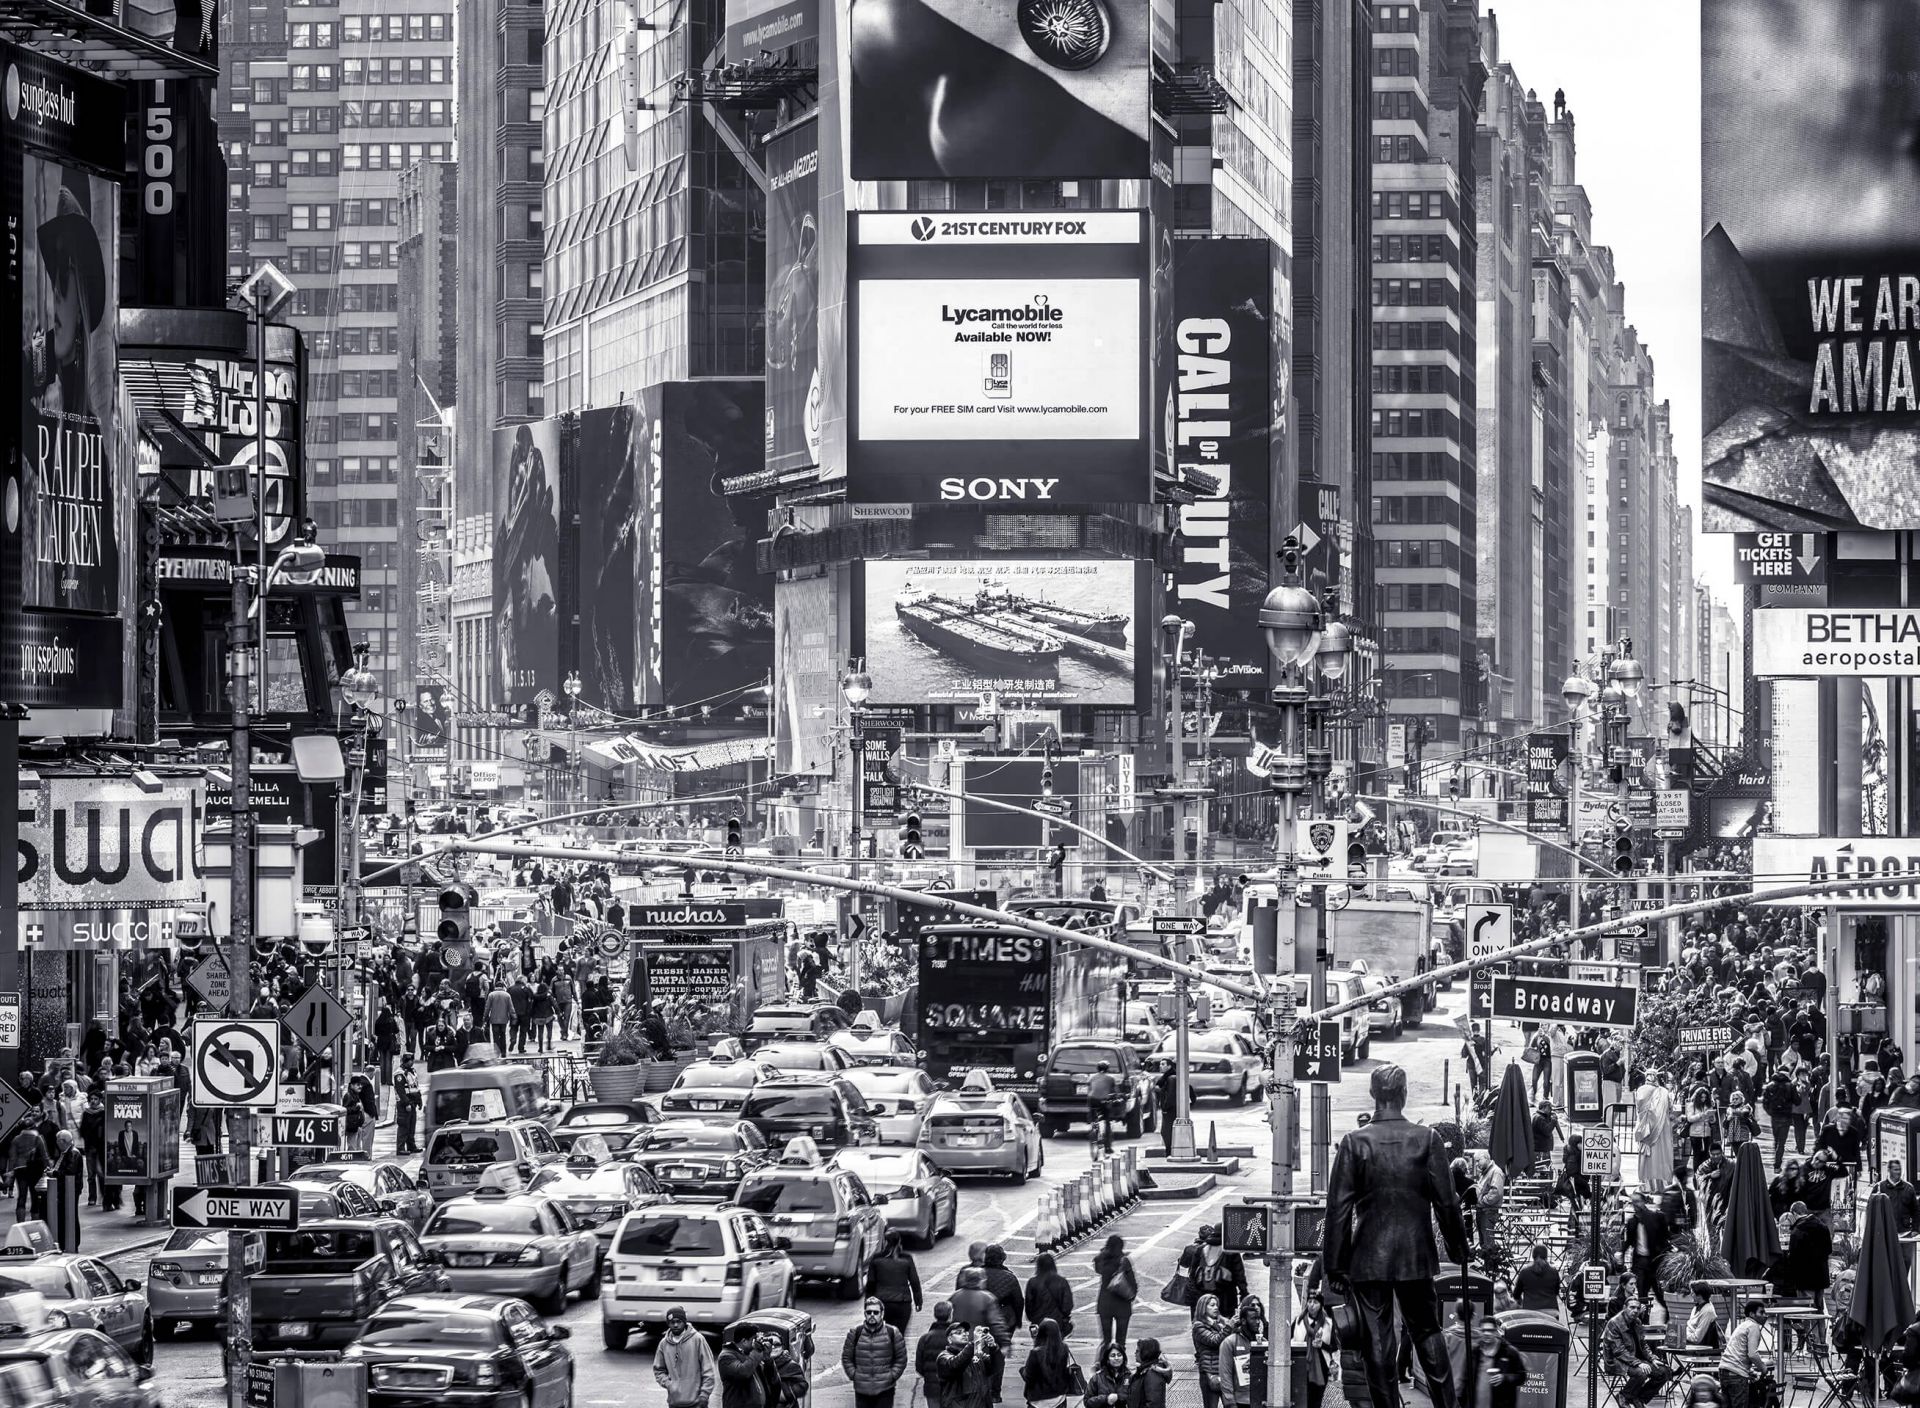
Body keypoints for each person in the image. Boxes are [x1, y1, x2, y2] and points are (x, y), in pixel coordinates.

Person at [1323, 1064, 1470, 1408]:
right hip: (1414, 1254)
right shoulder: (1427, 1139)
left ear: (1374, 1096)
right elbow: (1447, 1203)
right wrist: (1458, 1247)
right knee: (1427, 1329)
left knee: (1377, 1338)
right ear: (1404, 1095)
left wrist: (1335, 1266)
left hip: (1369, 1256)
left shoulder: (1354, 1143)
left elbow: (1338, 1211)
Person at [1602, 1296, 1673, 1408]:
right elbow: (1619, 1351)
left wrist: (1652, 1358)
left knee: (1664, 1372)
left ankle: (1639, 1398)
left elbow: (1643, 1344)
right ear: (1624, 1308)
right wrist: (1638, 1363)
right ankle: (1623, 1395)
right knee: (1641, 1372)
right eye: (1632, 1307)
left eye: (1637, 1308)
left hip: (1634, 1359)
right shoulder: (1614, 1323)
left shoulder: (1637, 1322)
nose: (1635, 1310)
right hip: (1616, 1361)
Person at [844, 1297, 910, 1408]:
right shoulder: (855, 1332)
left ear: (882, 1314)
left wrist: (892, 1376)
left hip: (885, 1389)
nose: (872, 1315)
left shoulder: (892, 1332)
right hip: (862, 1389)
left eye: (876, 1312)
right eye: (869, 1312)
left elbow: (901, 1359)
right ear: (865, 1314)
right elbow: (847, 1358)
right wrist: (854, 1375)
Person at [1179, 1225, 1249, 1319]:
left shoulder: (1201, 1249)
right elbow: (1239, 1276)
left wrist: (1195, 1296)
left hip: (1203, 1296)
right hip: (1226, 1297)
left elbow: (1193, 1274)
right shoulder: (1231, 1252)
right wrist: (1244, 1293)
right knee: (1225, 1325)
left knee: (1204, 1325)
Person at [655, 1306, 720, 1408]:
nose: (676, 1325)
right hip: (675, 1402)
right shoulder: (664, 1344)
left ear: (684, 1322)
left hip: (697, 1401)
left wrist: (704, 1394)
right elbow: (658, 1370)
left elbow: (708, 1369)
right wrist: (669, 1384)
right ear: (668, 1324)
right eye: (672, 1322)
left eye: (679, 1321)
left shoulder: (698, 1339)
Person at [865, 1231, 925, 1332]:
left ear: (884, 1242)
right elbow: (914, 1281)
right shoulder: (906, 1259)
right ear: (899, 1242)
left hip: (882, 1302)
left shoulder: (876, 1259)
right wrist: (918, 1301)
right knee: (899, 1335)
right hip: (903, 1303)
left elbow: (871, 1284)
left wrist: (867, 1304)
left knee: (882, 1335)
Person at [1623, 1191, 1673, 1304]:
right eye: (1633, 1202)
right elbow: (1629, 1241)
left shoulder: (1656, 1217)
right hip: (1640, 1262)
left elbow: (1666, 1236)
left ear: (1644, 1202)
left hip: (1655, 1261)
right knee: (1641, 1292)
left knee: (1659, 1291)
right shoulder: (1632, 1222)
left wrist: (1667, 1253)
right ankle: (1644, 1318)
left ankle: (1667, 1311)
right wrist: (1621, 1253)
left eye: (1637, 1201)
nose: (1635, 1204)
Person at [1092, 1235, 1137, 1357]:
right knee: (1121, 1341)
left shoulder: (1101, 1260)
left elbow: (1098, 1267)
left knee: (1106, 1340)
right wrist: (1132, 1294)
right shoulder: (1124, 1260)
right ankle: (1120, 1364)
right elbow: (1132, 1281)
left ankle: (1104, 1365)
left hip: (1105, 1304)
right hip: (1122, 1304)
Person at [938, 1324, 1003, 1408]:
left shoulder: (976, 1355)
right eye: (958, 1333)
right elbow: (956, 1364)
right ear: (949, 1339)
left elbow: (997, 1367)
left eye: (965, 1332)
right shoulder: (943, 1357)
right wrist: (974, 1344)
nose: (964, 1334)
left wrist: (993, 1347)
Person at [1717, 1301, 1768, 1408]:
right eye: (1761, 1312)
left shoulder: (1743, 1325)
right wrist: (1763, 1368)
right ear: (1752, 1314)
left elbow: (1739, 1352)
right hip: (1736, 1374)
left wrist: (1750, 1371)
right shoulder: (1753, 1327)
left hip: (1724, 1370)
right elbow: (1752, 1354)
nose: (1765, 1315)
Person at [1020, 1318, 1079, 1408]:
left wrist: (1022, 1370)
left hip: (1038, 1399)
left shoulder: (1035, 1353)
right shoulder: (1063, 1349)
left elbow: (1029, 1377)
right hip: (1059, 1397)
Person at [1219, 1297, 1266, 1408]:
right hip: (1240, 1401)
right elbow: (1225, 1375)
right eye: (1253, 1319)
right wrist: (1230, 1401)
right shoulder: (1230, 1342)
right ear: (1244, 1321)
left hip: (1260, 1399)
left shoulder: (1263, 1342)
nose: (1258, 1322)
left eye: (1258, 1318)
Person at [950, 1268, 1010, 1350]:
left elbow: (947, 1320)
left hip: (957, 1343)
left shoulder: (955, 1297)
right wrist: (1005, 1342)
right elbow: (996, 1322)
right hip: (978, 1344)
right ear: (981, 1280)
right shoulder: (988, 1298)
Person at [1294, 1293, 1336, 1408]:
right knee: (1301, 1398)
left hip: (1321, 1366)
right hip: (1302, 1364)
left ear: (1321, 1305)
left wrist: (1322, 1344)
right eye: (1310, 1301)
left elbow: (1334, 1347)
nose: (1311, 1305)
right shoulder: (1299, 1321)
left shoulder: (1329, 1323)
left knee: (1316, 1399)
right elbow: (1290, 1341)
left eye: (1315, 1302)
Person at [1191, 1293, 1232, 1408]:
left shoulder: (1220, 1323)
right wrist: (1229, 1327)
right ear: (1203, 1307)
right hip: (1210, 1373)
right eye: (1212, 1305)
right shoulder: (1198, 1326)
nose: (1216, 1308)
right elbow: (1214, 1340)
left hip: (1224, 1370)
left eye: (1216, 1305)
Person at [1025, 1252, 1074, 1338]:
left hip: (1038, 1322)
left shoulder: (1032, 1282)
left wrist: (1033, 1318)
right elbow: (1067, 1304)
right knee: (1057, 1345)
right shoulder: (1062, 1281)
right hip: (1058, 1322)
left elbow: (1029, 1304)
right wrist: (1064, 1316)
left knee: (1039, 1345)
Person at [718, 1323, 766, 1408]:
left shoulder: (749, 1354)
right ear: (744, 1341)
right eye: (754, 1339)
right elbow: (743, 1372)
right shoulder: (726, 1356)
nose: (756, 1343)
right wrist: (756, 1351)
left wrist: (768, 1357)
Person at [917, 1303, 955, 1408]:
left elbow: (919, 1366)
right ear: (950, 1315)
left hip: (932, 1388)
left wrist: (929, 1376)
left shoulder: (925, 1338)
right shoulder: (957, 1338)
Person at [982, 1244, 1024, 1335]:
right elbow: (1018, 1301)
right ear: (1002, 1259)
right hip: (1004, 1318)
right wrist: (1018, 1320)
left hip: (981, 1316)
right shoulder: (1009, 1277)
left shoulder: (976, 1274)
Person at [1514, 1244, 1563, 1317]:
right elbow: (1556, 1292)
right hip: (1551, 1312)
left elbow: (1516, 1294)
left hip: (1530, 1312)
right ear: (1546, 1256)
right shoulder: (1554, 1272)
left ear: (1533, 1256)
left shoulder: (1524, 1272)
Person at [1083, 1342, 1131, 1408]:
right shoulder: (1097, 1378)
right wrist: (1105, 1399)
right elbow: (1087, 1402)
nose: (1116, 1358)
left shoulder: (1130, 1376)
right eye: (1113, 1355)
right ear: (1107, 1359)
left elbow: (1135, 1398)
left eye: (1119, 1355)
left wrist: (1119, 1397)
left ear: (1123, 1357)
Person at [1879, 1159, 1920, 1237]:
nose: (1898, 1172)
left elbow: (1916, 1211)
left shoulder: (1909, 1188)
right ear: (1889, 1170)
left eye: (1900, 1169)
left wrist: (1915, 1229)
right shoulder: (1880, 1188)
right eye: (1896, 1170)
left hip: (1905, 1232)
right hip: (1885, 1232)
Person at [1087, 1062, 1120, 1153]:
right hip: (1103, 1101)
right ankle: (1107, 1147)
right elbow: (1115, 1092)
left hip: (1092, 1100)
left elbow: (1089, 1089)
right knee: (1107, 1122)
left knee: (1093, 1116)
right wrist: (1116, 1099)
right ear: (1107, 1069)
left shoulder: (1091, 1077)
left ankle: (1093, 1125)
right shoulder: (1110, 1078)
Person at [1130, 1339, 1174, 1408]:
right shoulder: (1145, 1370)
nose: (1135, 1353)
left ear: (1145, 1353)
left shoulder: (1152, 1375)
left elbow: (1154, 1403)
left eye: (1137, 1351)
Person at [393, 1054, 422, 1155]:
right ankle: (400, 1148)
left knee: (411, 1126)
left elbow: (415, 1086)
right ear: (405, 1061)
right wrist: (406, 1103)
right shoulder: (399, 1074)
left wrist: (419, 1100)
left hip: (412, 1102)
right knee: (404, 1126)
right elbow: (401, 1091)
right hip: (404, 1104)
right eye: (410, 1060)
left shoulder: (412, 1071)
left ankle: (411, 1146)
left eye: (412, 1060)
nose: (412, 1062)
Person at [1685, 1284, 1723, 1353]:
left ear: (1699, 1296)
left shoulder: (1707, 1311)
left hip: (1701, 1347)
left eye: (1692, 1293)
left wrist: (1682, 1335)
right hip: (1690, 1341)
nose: (1690, 1295)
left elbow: (1697, 1338)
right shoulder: (1696, 1307)